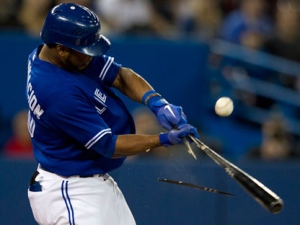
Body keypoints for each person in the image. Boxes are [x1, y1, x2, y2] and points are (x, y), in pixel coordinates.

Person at [26, 3, 199, 225]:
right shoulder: (55, 91)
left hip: (92, 183)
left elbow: (119, 76)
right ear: (62, 49)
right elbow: (109, 145)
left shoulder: (58, 54)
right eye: (85, 52)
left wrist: (157, 103)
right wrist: (162, 139)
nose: (90, 57)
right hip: (71, 190)